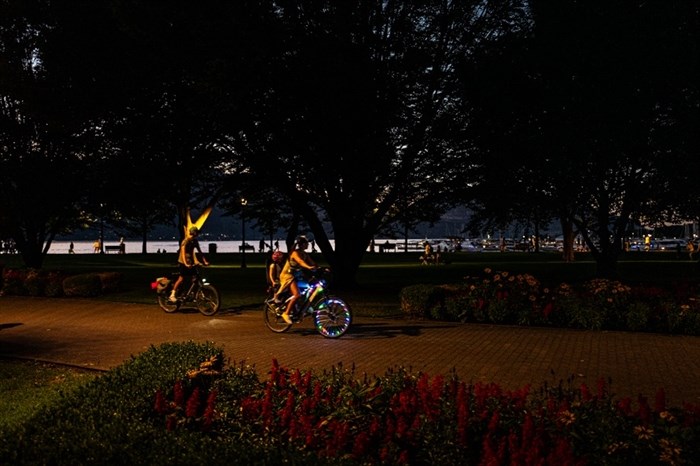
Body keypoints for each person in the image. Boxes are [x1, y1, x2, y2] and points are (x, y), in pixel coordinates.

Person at [274, 235, 318, 324]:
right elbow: (301, 262)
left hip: (296, 276)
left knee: (309, 286)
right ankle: (286, 314)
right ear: (302, 244)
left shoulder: (304, 254)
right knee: (297, 294)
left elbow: (312, 262)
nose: (308, 245)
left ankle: (302, 307)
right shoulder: (295, 253)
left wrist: (320, 268)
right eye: (306, 243)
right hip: (288, 276)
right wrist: (309, 267)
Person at [169, 226, 209, 302]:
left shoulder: (195, 241)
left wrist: (204, 261)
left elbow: (200, 252)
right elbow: (183, 253)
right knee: (181, 278)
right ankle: (172, 295)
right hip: (183, 262)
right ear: (194, 233)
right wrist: (185, 263)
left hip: (190, 262)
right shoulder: (185, 241)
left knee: (195, 278)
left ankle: (192, 294)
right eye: (196, 233)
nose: (197, 234)